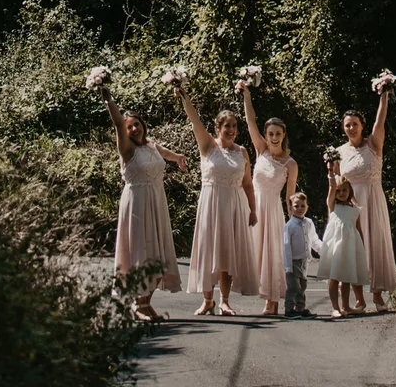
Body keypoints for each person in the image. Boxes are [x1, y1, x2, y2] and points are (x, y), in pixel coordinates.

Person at [102, 87, 188, 320]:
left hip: (156, 202)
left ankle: (144, 303)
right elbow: (118, 124)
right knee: (143, 252)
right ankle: (139, 305)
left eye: (137, 124)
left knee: (157, 253)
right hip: (137, 205)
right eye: (129, 126)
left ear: (143, 125)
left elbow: (165, 153)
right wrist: (109, 98)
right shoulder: (127, 150)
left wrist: (178, 157)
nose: (133, 128)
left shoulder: (150, 145)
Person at [176, 77, 258, 315]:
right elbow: (194, 119)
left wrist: (253, 210)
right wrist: (183, 95)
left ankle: (224, 300)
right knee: (208, 250)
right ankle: (207, 299)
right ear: (218, 129)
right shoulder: (208, 146)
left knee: (227, 252)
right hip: (211, 203)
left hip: (233, 205)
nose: (231, 130)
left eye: (234, 126)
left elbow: (248, 184)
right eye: (227, 126)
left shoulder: (242, 152)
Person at [331, 80, 396, 309]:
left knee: (375, 243)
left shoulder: (374, 144)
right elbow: (336, 184)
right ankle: (359, 297)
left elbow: (381, 121)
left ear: (362, 125)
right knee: (355, 248)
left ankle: (378, 294)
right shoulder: (338, 152)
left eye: (355, 124)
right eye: (347, 125)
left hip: (373, 199)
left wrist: (384, 95)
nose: (351, 128)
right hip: (351, 205)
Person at [239, 79, 302, 314]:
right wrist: (246, 94)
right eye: (270, 133)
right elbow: (250, 122)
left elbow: (291, 194)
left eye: (278, 133)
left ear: (284, 135)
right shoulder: (261, 150)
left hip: (274, 210)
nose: (274, 137)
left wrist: (294, 220)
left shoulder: (290, 163)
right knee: (252, 251)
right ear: (265, 135)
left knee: (272, 254)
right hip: (254, 206)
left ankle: (272, 302)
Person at [318, 173, 368, 317]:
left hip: (349, 246)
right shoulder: (333, 206)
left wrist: (362, 246)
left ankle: (346, 306)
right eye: (338, 191)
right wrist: (330, 170)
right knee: (334, 276)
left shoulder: (355, 210)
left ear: (350, 191)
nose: (341, 193)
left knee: (346, 276)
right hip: (335, 245)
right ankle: (335, 308)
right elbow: (331, 187)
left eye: (344, 190)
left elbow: (358, 229)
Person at [280, 189, 319, 317]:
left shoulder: (309, 223)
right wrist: (288, 266)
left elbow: (313, 239)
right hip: (293, 261)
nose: (300, 208)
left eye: (303, 206)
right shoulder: (289, 226)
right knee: (293, 287)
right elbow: (286, 246)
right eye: (296, 206)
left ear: (307, 206)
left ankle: (300, 308)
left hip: (304, 261)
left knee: (302, 286)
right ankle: (289, 309)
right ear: (290, 208)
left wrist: (323, 250)